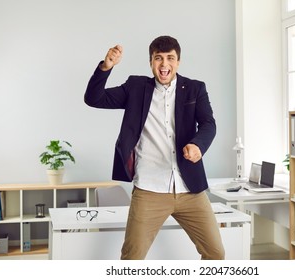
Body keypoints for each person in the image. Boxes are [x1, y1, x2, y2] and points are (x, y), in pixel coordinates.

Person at [84, 35, 224, 260]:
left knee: (216, 254)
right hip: (150, 190)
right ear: (151, 62)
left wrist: (198, 145)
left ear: (178, 61)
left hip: (190, 189)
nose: (164, 64)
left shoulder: (195, 89)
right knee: (132, 258)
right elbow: (94, 98)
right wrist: (106, 66)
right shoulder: (135, 87)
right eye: (158, 58)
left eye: (170, 58)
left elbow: (208, 123)